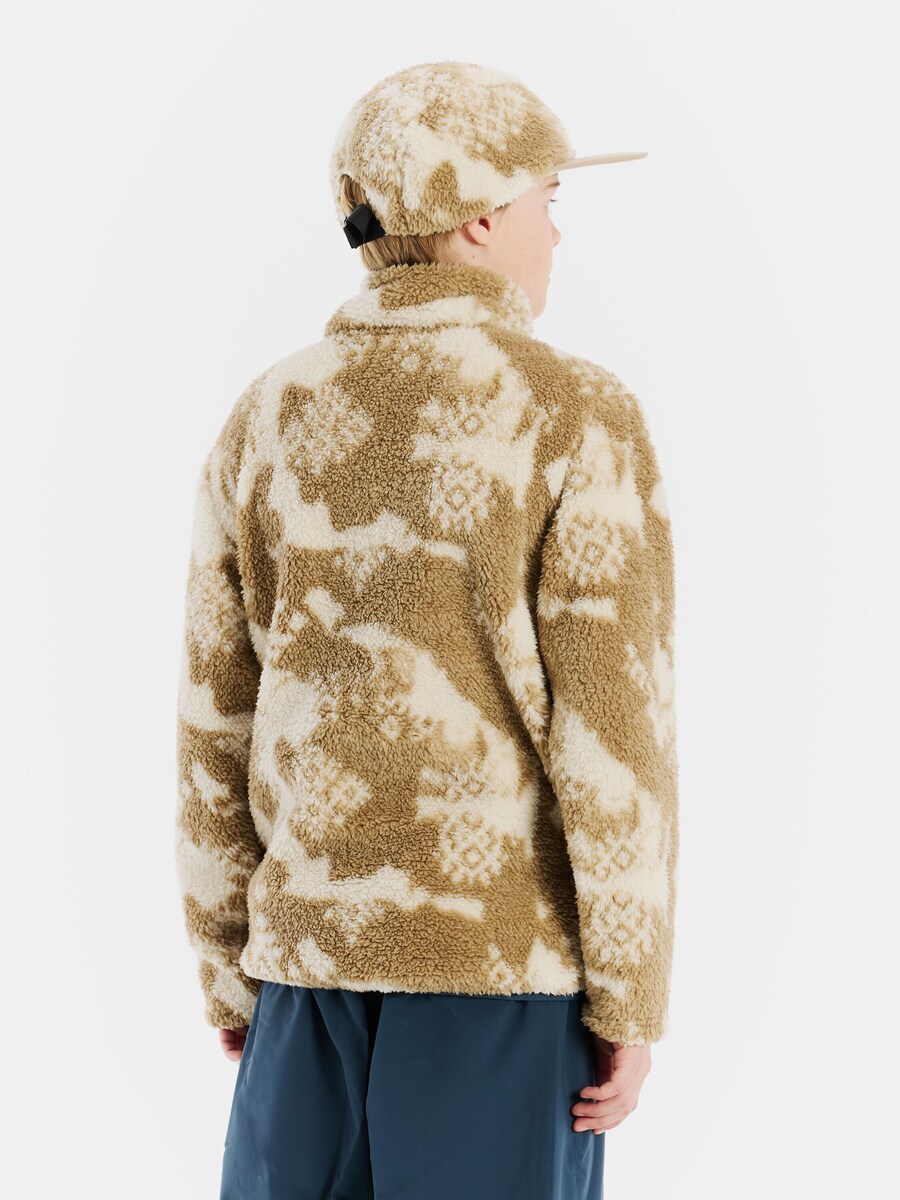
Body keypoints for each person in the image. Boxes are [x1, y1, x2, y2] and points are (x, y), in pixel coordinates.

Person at [175, 59, 679, 1200]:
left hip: (304, 974)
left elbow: (216, 718)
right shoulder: (574, 413)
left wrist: (229, 967)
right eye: (551, 199)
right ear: (482, 216)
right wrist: (629, 997)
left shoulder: (268, 413)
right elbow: (613, 731)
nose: (558, 233)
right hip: (500, 974)